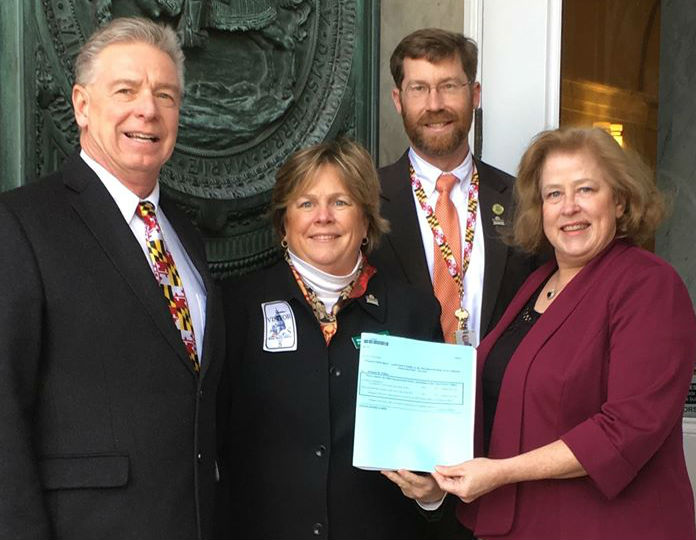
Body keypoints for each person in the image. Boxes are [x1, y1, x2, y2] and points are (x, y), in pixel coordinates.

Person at [0, 17, 223, 539]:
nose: (148, 108)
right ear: (81, 104)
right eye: (126, 89)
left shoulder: (184, 234)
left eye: (165, 95)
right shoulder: (21, 224)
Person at [431, 127, 696, 539]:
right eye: (554, 194)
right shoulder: (536, 284)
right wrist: (432, 472)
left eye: (586, 189)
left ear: (620, 201)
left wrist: (501, 473)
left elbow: (626, 428)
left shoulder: (648, 285)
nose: (569, 207)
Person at [217, 138, 443, 539]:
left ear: (367, 220)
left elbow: (433, 455)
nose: (323, 217)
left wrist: (431, 493)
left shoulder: (414, 313)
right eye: (306, 203)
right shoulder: (237, 309)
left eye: (340, 202)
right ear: (284, 222)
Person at [372, 28, 536, 348]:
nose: (435, 105)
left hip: (495, 394)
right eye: (418, 88)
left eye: (449, 86)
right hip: (400, 390)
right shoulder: (365, 199)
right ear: (398, 100)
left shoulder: (522, 201)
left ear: (474, 95)